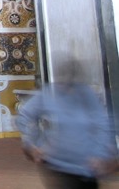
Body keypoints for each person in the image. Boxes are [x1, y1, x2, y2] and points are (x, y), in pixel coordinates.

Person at [16, 59, 118, 188]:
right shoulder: (48, 94)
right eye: (63, 78)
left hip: (86, 167)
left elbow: (102, 124)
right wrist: (32, 142)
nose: (66, 83)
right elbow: (24, 116)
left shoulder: (87, 95)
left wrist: (101, 154)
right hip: (57, 165)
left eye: (71, 79)